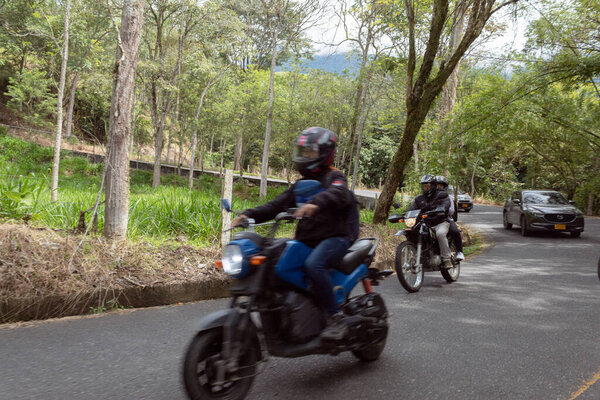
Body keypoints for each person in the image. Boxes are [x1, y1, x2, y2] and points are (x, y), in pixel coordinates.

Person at [232, 127, 353, 340]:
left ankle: (336, 317)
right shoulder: (299, 185)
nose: (305, 156)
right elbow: (276, 205)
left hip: (336, 238)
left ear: (325, 153)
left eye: (311, 152)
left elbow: (339, 194)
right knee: (277, 262)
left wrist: (315, 203)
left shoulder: (335, 177)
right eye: (303, 151)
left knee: (314, 265)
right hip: (308, 240)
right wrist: (248, 214)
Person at [407, 174, 453, 269]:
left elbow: (446, 203)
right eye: (424, 185)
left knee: (440, 234)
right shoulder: (419, 199)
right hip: (425, 223)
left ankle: (446, 259)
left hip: (440, 222)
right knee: (412, 232)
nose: (426, 187)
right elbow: (411, 209)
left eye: (428, 185)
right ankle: (418, 256)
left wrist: (442, 208)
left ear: (433, 185)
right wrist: (405, 214)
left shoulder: (442, 194)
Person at [435, 175, 465, 261]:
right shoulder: (430, 197)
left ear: (444, 187)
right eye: (437, 185)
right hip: (431, 219)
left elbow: (451, 210)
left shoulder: (448, 197)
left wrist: (441, 212)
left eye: (441, 185)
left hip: (446, 219)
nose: (439, 187)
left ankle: (460, 252)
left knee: (455, 231)